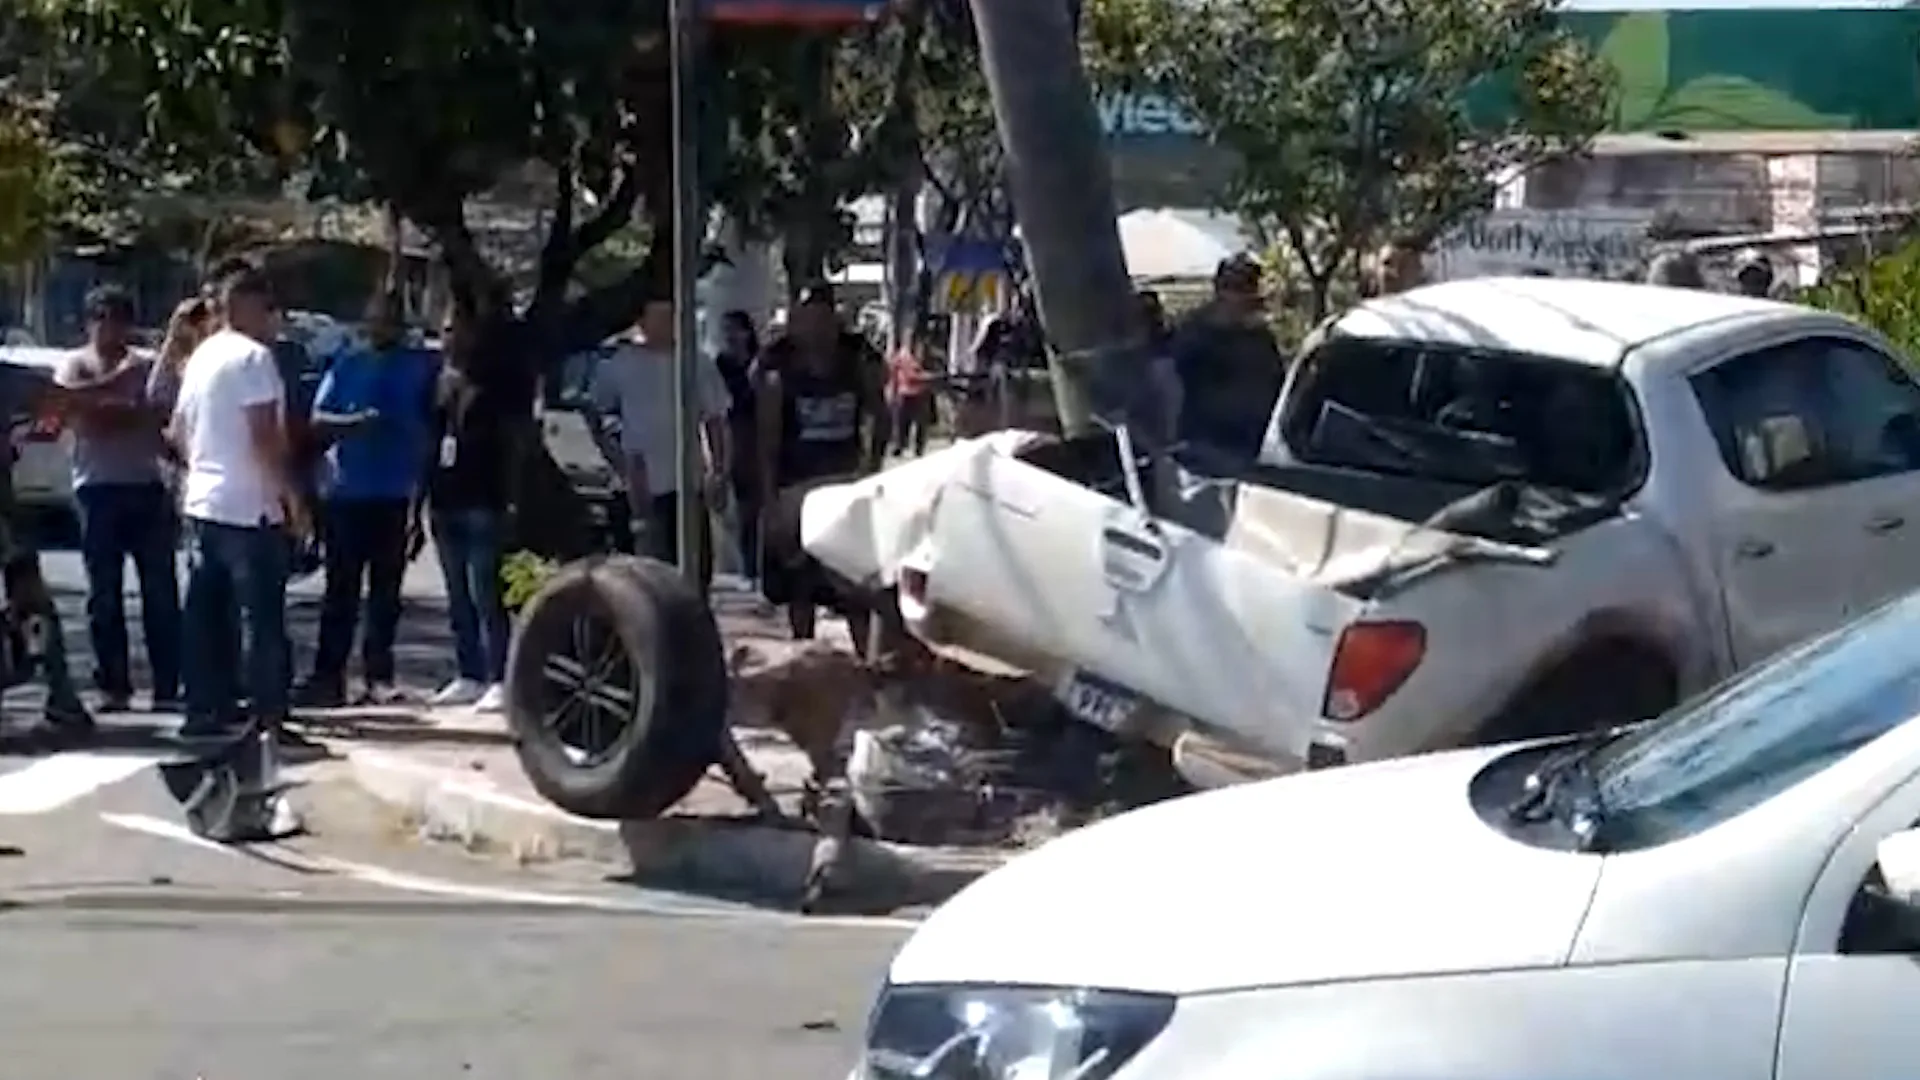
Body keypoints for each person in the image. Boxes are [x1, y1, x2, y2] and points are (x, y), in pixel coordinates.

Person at [169, 268, 307, 755]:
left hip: (203, 502)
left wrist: (203, 470)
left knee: (205, 616)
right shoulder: (253, 359)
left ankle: (203, 711)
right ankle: (269, 719)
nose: (274, 319)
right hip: (250, 507)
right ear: (245, 306)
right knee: (263, 619)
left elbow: (179, 431)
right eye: (268, 308)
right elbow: (265, 437)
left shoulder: (202, 356)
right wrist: (292, 499)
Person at [295, 290, 436, 707]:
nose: (383, 326)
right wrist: (353, 423)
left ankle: (379, 676)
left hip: (395, 493)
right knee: (340, 591)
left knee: (386, 595)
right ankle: (328, 676)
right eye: (377, 318)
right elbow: (318, 421)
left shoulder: (419, 369)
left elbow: (432, 431)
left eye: (391, 319)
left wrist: (419, 504)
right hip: (347, 493)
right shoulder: (348, 364)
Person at [55, 285, 182, 712]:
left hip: (146, 486)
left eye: (119, 319)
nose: (112, 328)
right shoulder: (75, 365)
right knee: (103, 594)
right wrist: (121, 398)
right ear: (89, 322)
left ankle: (168, 683)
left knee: (160, 594)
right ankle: (113, 684)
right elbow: (83, 419)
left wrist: (115, 405)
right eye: (103, 318)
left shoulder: (147, 367)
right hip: (97, 489)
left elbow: (163, 415)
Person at [754, 283, 887, 641]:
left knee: (854, 585)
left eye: (823, 317)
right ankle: (805, 655)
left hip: (845, 483)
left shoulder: (856, 356)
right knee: (801, 586)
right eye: (807, 317)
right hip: (796, 485)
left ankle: (867, 665)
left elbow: (881, 414)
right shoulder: (778, 363)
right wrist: (770, 500)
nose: (815, 327)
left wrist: (871, 470)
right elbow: (766, 437)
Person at [586, 294, 730, 585]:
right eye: (659, 317)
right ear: (641, 322)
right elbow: (596, 414)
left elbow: (715, 419)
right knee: (646, 574)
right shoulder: (619, 365)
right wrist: (618, 462)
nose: (666, 325)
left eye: (671, 317)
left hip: (687, 484)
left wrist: (719, 470)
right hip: (641, 485)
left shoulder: (697, 363)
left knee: (694, 571)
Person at [418, 307, 517, 711]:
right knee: (457, 594)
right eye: (444, 331)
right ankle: (469, 672)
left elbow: (510, 446)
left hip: (483, 498)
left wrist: (510, 497)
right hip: (445, 498)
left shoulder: (493, 385)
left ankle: (500, 675)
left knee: (485, 593)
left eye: (455, 330)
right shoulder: (439, 382)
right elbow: (428, 442)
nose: (448, 338)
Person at [1170, 254, 1288, 462]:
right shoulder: (1195, 332)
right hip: (1209, 444)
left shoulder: (1259, 336)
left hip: (1256, 444)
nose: (1245, 296)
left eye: (1249, 286)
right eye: (1236, 288)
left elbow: (1276, 380)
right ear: (1220, 290)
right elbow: (1182, 379)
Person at [714, 310, 763, 579]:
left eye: (735, 330)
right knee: (741, 509)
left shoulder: (760, 362)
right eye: (726, 331)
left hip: (760, 436)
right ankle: (746, 567)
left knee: (759, 507)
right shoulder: (722, 365)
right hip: (735, 436)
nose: (730, 337)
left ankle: (758, 566)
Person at [885, 330, 935, 458]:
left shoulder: (925, 354)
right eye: (909, 340)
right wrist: (893, 389)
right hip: (904, 392)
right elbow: (894, 373)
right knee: (901, 421)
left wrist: (928, 381)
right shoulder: (901, 355)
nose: (912, 343)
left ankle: (919, 448)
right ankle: (899, 445)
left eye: (915, 340)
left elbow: (931, 370)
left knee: (920, 423)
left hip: (921, 392)